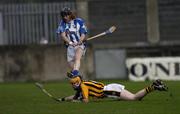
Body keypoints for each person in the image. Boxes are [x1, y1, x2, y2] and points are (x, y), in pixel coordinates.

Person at [59, 76, 168, 103]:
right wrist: (63, 99)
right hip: (110, 88)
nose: (73, 86)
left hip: (109, 91)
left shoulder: (83, 87)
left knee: (134, 98)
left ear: (77, 83)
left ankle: (154, 86)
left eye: (73, 84)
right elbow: (75, 96)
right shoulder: (84, 85)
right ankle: (154, 86)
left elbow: (85, 100)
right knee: (135, 98)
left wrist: (76, 101)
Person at [56, 7, 88, 77]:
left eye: (66, 15)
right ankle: (77, 76)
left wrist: (80, 40)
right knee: (70, 63)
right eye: (63, 16)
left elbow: (83, 33)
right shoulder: (62, 24)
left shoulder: (79, 21)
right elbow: (63, 35)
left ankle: (75, 72)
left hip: (80, 45)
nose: (65, 17)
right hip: (70, 46)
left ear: (70, 14)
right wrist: (70, 43)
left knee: (77, 57)